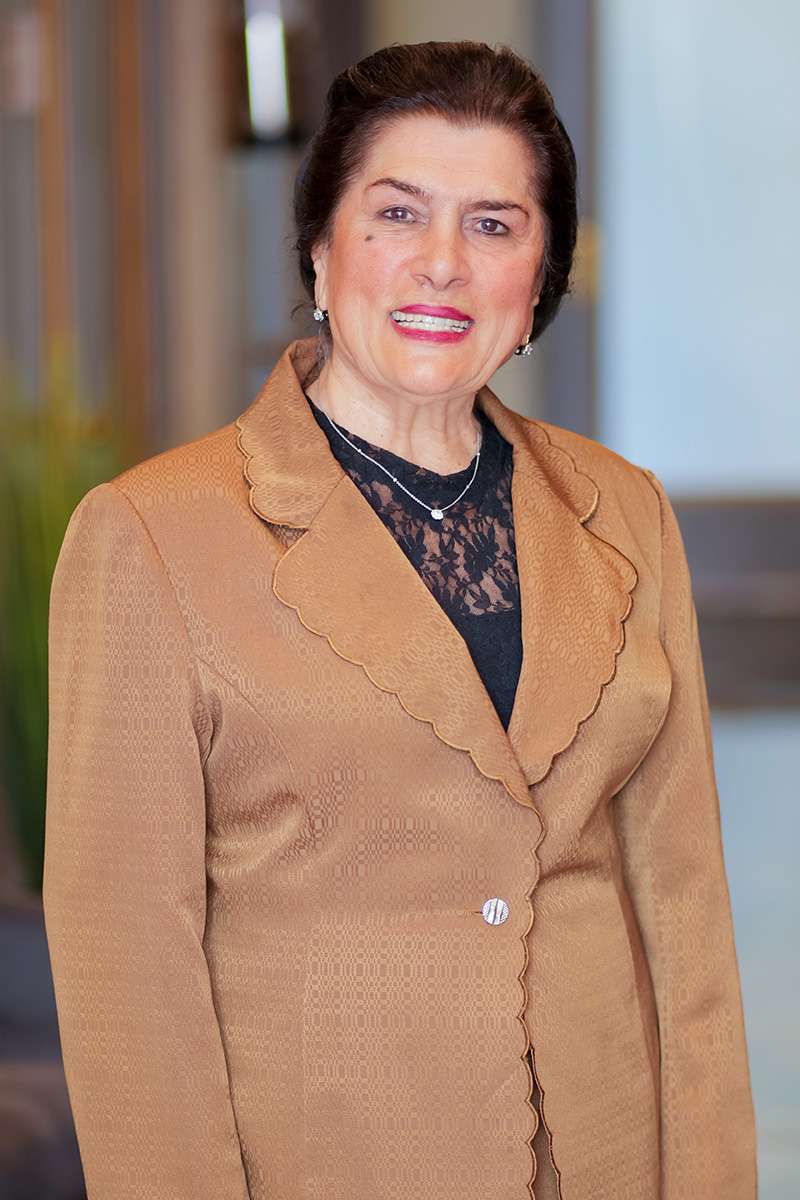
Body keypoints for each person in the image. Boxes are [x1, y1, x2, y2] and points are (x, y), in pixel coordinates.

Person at [42, 40, 757, 1200]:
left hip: (604, 1155)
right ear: (322, 250)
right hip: (328, 1160)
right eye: (396, 213)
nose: (441, 266)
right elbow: (126, 961)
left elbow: (682, 907)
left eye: (493, 225)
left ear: (539, 279)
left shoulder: (624, 511)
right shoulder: (153, 535)